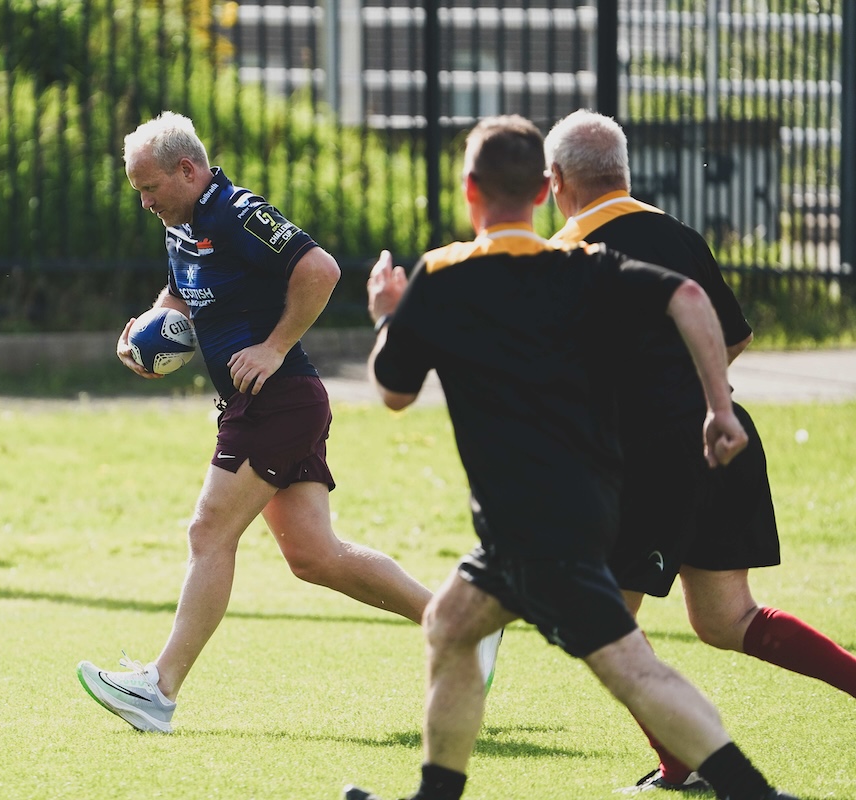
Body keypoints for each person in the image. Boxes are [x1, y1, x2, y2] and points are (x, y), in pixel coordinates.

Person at [343, 115, 796, 800]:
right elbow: (693, 297)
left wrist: (387, 315)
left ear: (471, 190)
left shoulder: (442, 275)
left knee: (630, 670)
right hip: (561, 512)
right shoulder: (581, 266)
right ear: (541, 189)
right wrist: (719, 407)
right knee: (449, 623)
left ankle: (753, 793)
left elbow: (394, 392)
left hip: (537, 528)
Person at [74, 111, 500, 734]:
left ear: (187, 170)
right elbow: (177, 294)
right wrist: (141, 337)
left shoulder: (235, 210)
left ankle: (157, 691)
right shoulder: (183, 224)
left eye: (149, 188)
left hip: (277, 398)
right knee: (314, 556)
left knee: (208, 531)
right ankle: (460, 626)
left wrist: (274, 345)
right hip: (264, 404)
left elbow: (320, 268)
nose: (144, 202)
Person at [545, 108, 856, 792]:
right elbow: (732, 334)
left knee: (603, 623)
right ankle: (681, 758)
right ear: (622, 173)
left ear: (557, 180)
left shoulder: (567, 253)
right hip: (725, 435)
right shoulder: (677, 234)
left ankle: (686, 759)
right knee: (726, 618)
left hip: (650, 459)